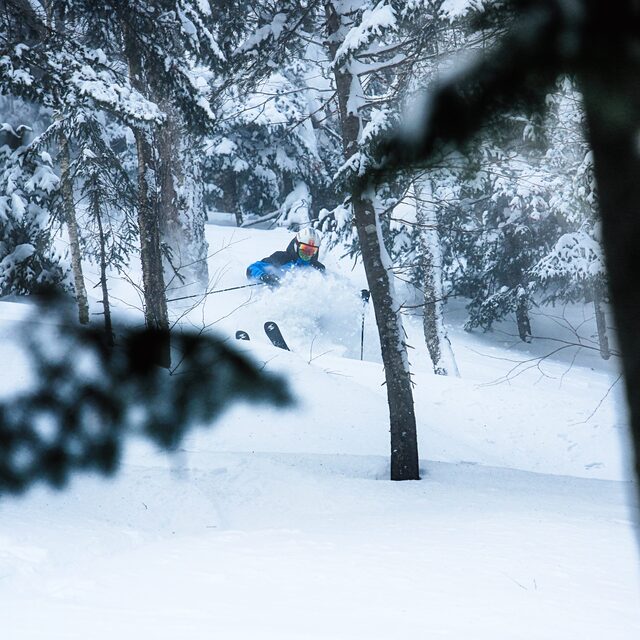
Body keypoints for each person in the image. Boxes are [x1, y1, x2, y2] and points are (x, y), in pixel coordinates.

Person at [246, 228, 325, 287]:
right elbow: (252, 268)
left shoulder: (319, 268)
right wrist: (265, 277)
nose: (307, 254)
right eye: (304, 249)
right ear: (296, 245)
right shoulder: (281, 258)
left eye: (312, 250)